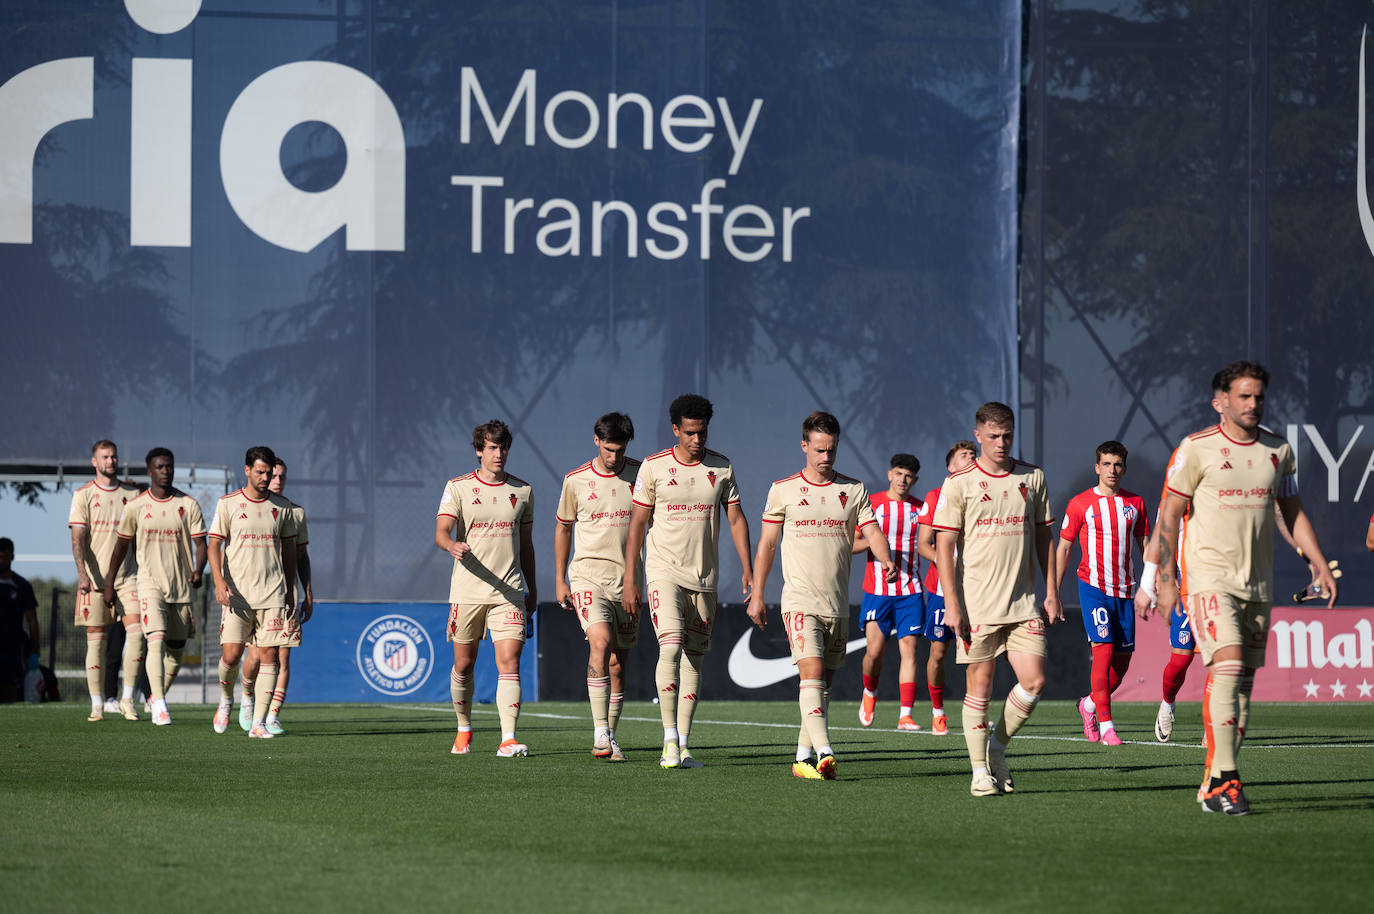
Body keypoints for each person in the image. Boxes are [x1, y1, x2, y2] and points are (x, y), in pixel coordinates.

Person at [1152, 360, 1337, 815]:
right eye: (1244, 396)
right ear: (1223, 400)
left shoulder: (1278, 451)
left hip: (1258, 583)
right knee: (1229, 667)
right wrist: (1165, 580)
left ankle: (1213, 781)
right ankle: (1230, 780)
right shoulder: (1194, 450)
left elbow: (1291, 513)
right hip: (1209, 578)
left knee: (1242, 685)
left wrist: (1318, 563)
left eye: (1258, 397)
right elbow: (1168, 517)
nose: (1252, 404)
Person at [748, 411, 896, 779]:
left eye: (831, 450)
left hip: (836, 604)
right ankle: (826, 751)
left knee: (822, 685)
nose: (825, 457)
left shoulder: (854, 490)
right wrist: (757, 593)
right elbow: (767, 544)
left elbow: (872, 531)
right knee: (811, 673)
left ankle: (801, 758)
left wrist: (886, 558)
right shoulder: (783, 489)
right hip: (799, 600)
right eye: (818, 450)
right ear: (804, 446)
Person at [931, 402, 1060, 797]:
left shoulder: (1032, 477)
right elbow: (943, 545)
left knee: (1034, 682)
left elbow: (1044, 537)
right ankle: (978, 772)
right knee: (980, 689)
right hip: (978, 606)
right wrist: (953, 605)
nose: (1001, 443)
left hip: (1023, 604)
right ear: (978, 436)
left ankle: (997, 750)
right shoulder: (960, 483)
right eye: (993, 437)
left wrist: (1052, 591)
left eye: (1007, 436)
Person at [623, 393, 753, 769]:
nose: (698, 440)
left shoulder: (722, 467)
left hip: (705, 579)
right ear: (676, 429)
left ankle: (683, 744)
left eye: (703, 433)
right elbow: (636, 525)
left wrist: (746, 566)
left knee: (694, 659)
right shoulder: (653, 467)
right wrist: (632, 577)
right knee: (671, 647)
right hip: (663, 572)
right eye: (691, 433)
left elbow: (736, 519)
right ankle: (666, 741)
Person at [435, 420, 537, 758]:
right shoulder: (458, 487)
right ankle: (464, 727)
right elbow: (442, 530)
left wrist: (532, 590)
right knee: (463, 665)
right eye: (492, 447)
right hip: (467, 592)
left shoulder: (522, 491)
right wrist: (451, 545)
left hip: (509, 593)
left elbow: (527, 546)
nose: (499, 453)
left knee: (509, 661)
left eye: (503, 447)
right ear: (480, 450)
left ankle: (508, 738)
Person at [554, 412, 641, 762]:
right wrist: (560, 579)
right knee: (600, 643)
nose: (614, 457)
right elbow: (563, 528)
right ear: (596, 441)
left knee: (619, 664)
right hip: (587, 576)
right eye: (608, 449)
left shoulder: (641, 475)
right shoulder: (575, 480)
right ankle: (600, 733)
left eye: (620, 450)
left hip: (629, 582)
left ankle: (612, 735)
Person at [104, 448, 207, 726]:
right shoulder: (136, 506)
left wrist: (198, 570)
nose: (165, 471)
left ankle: (152, 698)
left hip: (182, 588)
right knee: (155, 640)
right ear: (150, 471)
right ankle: (160, 704)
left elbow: (201, 545)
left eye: (169, 467)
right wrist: (109, 583)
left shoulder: (189, 505)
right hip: (149, 585)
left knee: (175, 651)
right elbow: (120, 547)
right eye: (160, 467)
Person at [1056, 441, 1149, 746]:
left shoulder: (1135, 503)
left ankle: (1089, 705)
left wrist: (1151, 583)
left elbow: (1145, 546)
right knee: (1103, 651)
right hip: (1093, 588)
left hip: (1124, 591)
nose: (1112, 470)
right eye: (1106, 464)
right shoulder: (1080, 503)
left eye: (1117, 464)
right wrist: (1052, 592)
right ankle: (1108, 726)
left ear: (1124, 467)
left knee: (1121, 667)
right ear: (1097, 467)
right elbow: (1065, 548)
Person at [207, 446, 298, 739]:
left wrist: (292, 589)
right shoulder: (228, 504)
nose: (264, 477)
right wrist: (219, 582)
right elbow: (213, 546)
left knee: (269, 656)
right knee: (232, 657)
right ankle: (226, 700)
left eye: (268, 473)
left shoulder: (282, 507)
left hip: (272, 593)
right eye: (259, 471)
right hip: (238, 595)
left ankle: (258, 723)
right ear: (246, 470)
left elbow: (290, 553)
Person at [68, 439, 143, 721]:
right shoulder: (83, 495)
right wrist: (82, 574)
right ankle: (97, 703)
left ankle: (127, 699)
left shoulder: (133, 493)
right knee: (96, 643)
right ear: (94, 462)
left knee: (137, 635)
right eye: (105, 457)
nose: (110, 461)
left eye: (113, 456)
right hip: (95, 581)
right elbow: (77, 538)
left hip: (128, 578)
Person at [239, 458, 313, 735]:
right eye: (273, 476)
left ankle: (271, 715)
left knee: (282, 656)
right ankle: (247, 697)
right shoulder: (248, 509)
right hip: (254, 593)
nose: (277, 481)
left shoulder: (294, 512)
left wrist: (307, 592)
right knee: (256, 656)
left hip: (285, 593)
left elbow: (303, 557)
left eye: (282, 476)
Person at [855, 454, 927, 731]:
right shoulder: (872, 504)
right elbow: (851, 544)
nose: (902, 480)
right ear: (889, 474)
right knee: (874, 652)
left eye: (908, 476)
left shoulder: (920, 509)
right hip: (877, 590)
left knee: (909, 651)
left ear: (915, 480)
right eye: (898, 473)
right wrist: (875, 544)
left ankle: (905, 714)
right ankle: (870, 692)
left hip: (911, 590)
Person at [915, 441, 976, 734]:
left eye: (974, 455)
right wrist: (946, 559)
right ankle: (938, 712)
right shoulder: (936, 496)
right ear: (951, 466)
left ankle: (976, 710)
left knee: (977, 653)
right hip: (942, 591)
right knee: (938, 653)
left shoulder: (983, 493)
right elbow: (923, 544)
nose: (972, 458)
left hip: (978, 590)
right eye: (965, 455)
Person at [0, 537, 40, 703]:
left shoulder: (22, 585)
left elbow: (32, 620)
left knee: (11, 687)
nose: (1, 560)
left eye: (5, 556)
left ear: (12, 557)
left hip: (12, 646)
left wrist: (34, 652)